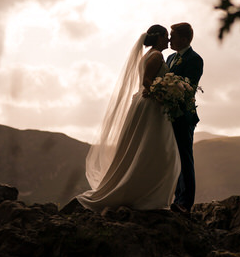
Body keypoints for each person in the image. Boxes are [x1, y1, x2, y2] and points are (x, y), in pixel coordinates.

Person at [75, 25, 181, 211]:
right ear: (158, 38)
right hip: (152, 107)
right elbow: (147, 81)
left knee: (150, 151)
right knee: (162, 152)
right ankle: (147, 197)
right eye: (166, 36)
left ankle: (146, 194)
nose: (169, 40)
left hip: (148, 105)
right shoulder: (156, 55)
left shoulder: (149, 55)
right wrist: (163, 95)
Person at [166, 22, 203, 214]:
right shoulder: (170, 58)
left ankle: (185, 203)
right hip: (168, 115)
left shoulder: (195, 59)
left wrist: (167, 90)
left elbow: (189, 89)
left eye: (173, 36)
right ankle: (175, 198)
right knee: (172, 158)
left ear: (184, 39)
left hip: (183, 115)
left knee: (184, 157)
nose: (169, 39)